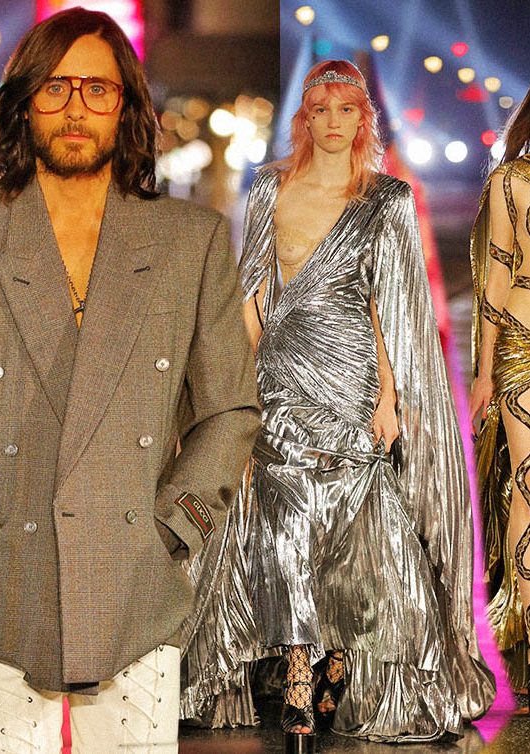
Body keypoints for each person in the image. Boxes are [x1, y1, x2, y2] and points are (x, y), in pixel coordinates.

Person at [0, 7, 259, 752]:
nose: (76, 108)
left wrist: (172, 528)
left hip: (137, 588)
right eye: (54, 89)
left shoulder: (191, 243)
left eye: (97, 88)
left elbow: (230, 412)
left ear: (127, 107)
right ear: (23, 107)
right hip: (6, 586)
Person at [182, 60, 495, 747]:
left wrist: (388, 394)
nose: (332, 121)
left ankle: (336, 664)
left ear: (362, 119)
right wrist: (233, 394)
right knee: (285, 530)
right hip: (281, 378)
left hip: (352, 382)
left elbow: (390, 305)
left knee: (353, 536)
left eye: (345, 109)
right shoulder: (269, 188)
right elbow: (253, 296)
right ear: (305, 117)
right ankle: (300, 678)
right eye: (320, 109)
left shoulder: (387, 199)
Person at [471, 84, 530, 706]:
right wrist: (484, 371)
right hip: (522, 345)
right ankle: (527, 636)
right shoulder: (510, 181)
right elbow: (497, 274)